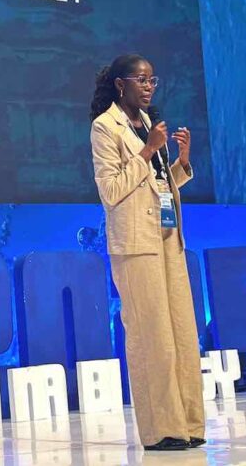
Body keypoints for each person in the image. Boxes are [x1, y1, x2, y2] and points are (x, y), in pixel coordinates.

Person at [89, 53, 204, 451]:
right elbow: (112, 192)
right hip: (136, 243)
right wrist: (146, 149)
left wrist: (181, 164)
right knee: (151, 335)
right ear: (120, 84)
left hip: (167, 237)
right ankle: (161, 431)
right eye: (141, 79)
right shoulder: (105, 127)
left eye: (153, 79)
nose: (149, 86)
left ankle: (189, 424)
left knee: (181, 332)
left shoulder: (146, 124)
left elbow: (154, 187)